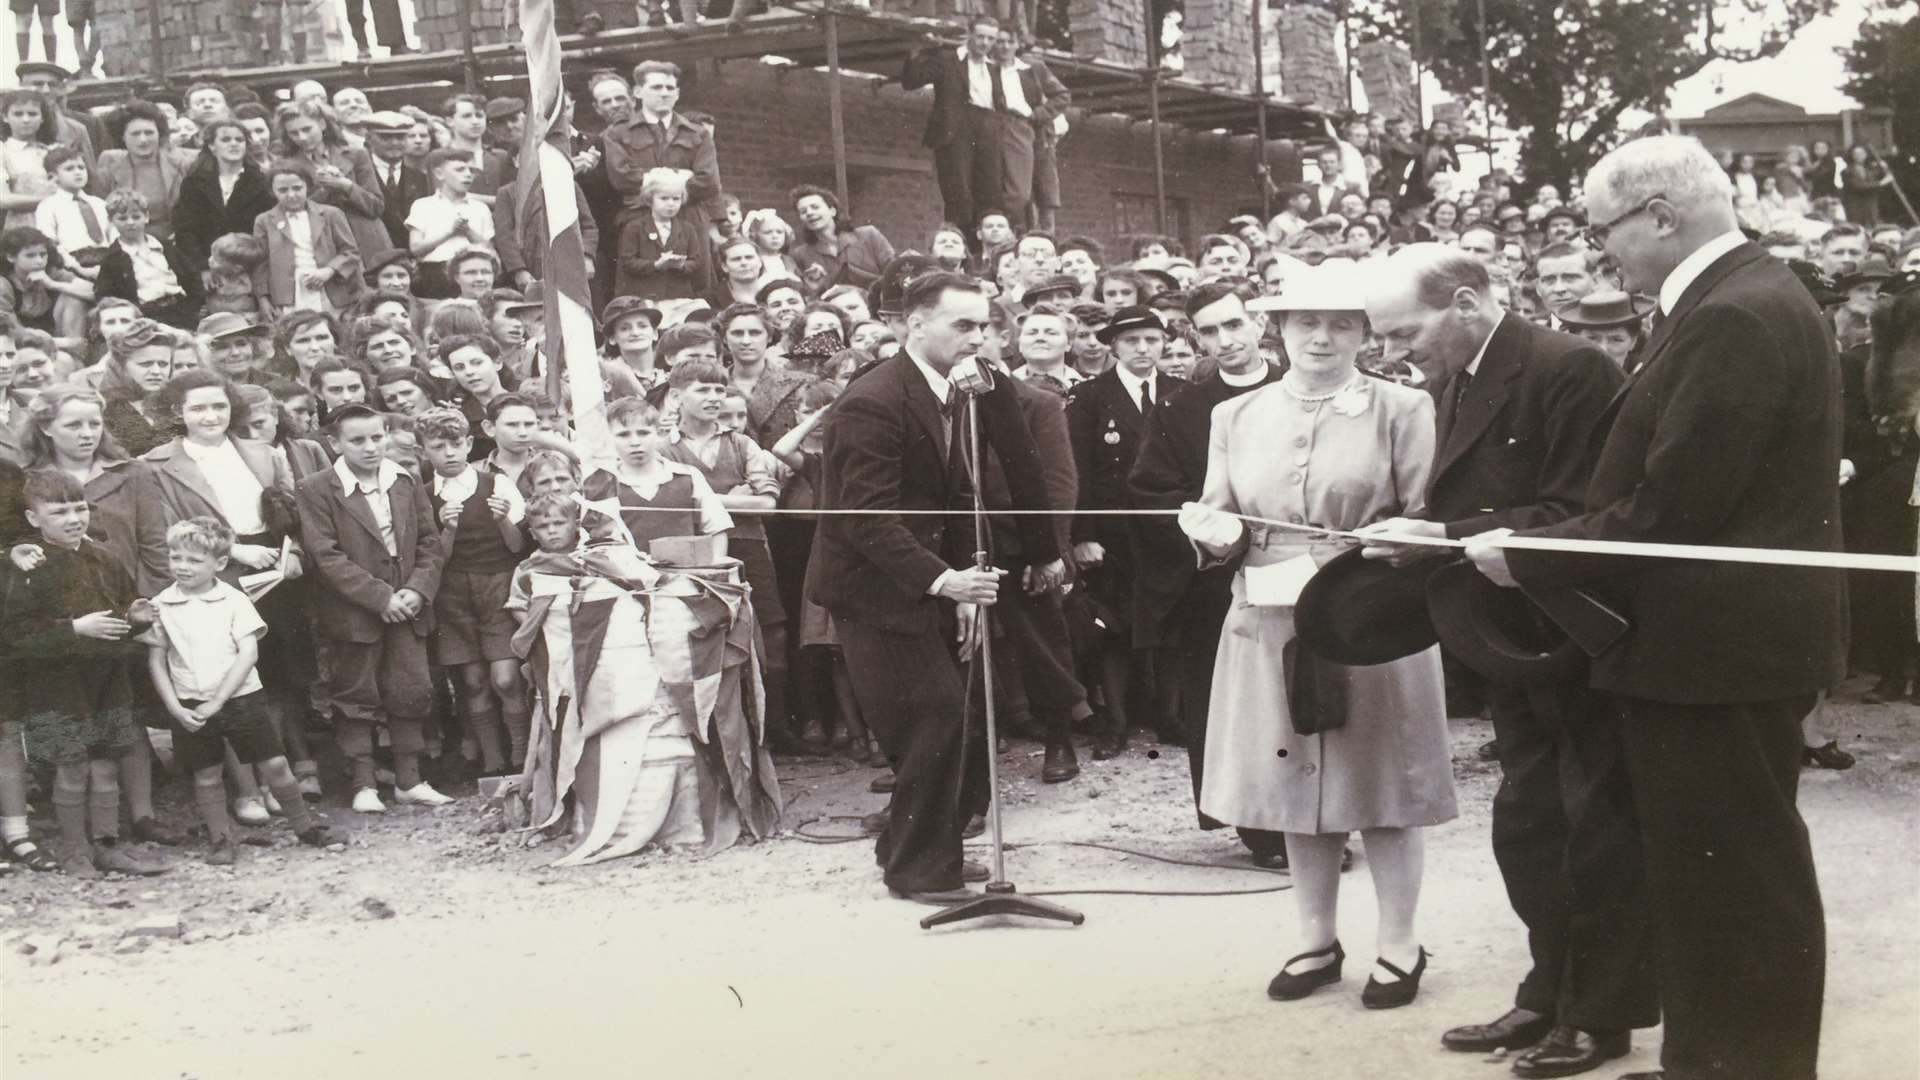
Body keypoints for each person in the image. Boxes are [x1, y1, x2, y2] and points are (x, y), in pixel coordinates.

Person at [1462, 135, 1840, 1080]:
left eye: (1606, 234)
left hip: (1720, 653)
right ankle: (1717, 1059)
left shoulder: (1734, 316)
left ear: (1661, 216)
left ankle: (1743, 1066)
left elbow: (1673, 510)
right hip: (1715, 646)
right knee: (1709, 870)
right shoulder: (1739, 297)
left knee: (1738, 876)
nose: (1606, 256)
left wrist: (1529, 555)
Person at [1360, 244, 1654, 1076]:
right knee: (1530, 824)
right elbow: (1469, 498)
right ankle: (1549, 992)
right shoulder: (1458, 372)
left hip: (1574, 637)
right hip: (1510, 636)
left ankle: (1602, 1016)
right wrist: (1418, 532)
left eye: (1402, 332)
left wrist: (1439, 536)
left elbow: (1580, 513)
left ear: (1463, 303)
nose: (1392, 353)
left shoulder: (1570, 368)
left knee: (1595, 828)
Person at [1178, 261, 1454, 1007]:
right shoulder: (1234, 417)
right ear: (1281, 329)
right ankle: (1315, 940)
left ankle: (1399, 942)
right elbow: (1219, 516)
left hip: (1371, 614)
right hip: (1268, 616)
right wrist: (1211, 533)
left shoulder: (1403, 407)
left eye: (1341, 323)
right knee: (1293, 779)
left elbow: (1428, 513)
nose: (1322, 337)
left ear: (1366, 332)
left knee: (1384, 784)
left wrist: (1389, 542)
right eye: (1305, 322)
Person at [1129, 280, 1285, 864]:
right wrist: (1217, 532)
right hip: (1217, 578)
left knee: (1300, 693)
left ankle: (1318, 817)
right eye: (1210, 331)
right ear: (1195, 337)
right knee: (1234, 703)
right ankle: (1260, 828)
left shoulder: (1297, 388)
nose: (1225, 340)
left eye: (1234, 325)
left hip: (1303, 567)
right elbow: (1150, 490)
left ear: (1259, 325)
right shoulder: (1180, 408)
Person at [145, 516, 346, 864]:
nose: (183, 567)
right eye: (176, 557)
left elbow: (248, 653)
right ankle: (221, 839)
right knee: (206, 774)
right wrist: (176, 708)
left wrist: (219, 701)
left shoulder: (233, 600)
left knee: (275, 764)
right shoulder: (161, 605)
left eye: (194, 560)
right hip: (190, 703)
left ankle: (305, 826)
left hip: (240, 698)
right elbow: (156, 660)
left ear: (220, 564)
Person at [0, 469, 168, 877]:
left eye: (79, 508)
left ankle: (108, 844)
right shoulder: (27, 566)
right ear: (34, 518)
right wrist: (74, 627)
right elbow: (15, 634)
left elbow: (125, 608)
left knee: (107, 762)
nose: (74, 519)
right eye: (59, 512)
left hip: (107, 678)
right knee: (71, 764)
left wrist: (138, 616)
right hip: (56, 683)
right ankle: (76, 851)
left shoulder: (103, 557)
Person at [295, 401, 453, 813]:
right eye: (357, 440)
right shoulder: (315, 489)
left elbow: (429, 542)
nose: (370, 447)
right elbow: (325, 556)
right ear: (334, 443)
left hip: (408, 606)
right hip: (355, 611)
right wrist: (380, 597)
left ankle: (409, 780)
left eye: (377, 437)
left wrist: (417, 590)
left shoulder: (405, 480)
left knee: (410, 688)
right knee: (355, 692)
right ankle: (363, 783)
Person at [1066, 306, 1176, 758]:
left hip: (1169, 533)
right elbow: (1078, 470)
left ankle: (1171, 718)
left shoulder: (1180, 392)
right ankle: (1115, 722)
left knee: (1171, 624)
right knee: (1110, 626)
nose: (1143, 349)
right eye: (1132, 341)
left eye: (1152, 339)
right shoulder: (1090, 397)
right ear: (1113, 346)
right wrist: (1082, 534)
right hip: (1112, 536)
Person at [415, 407, 529, 778]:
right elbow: (436, 559)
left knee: (506, 678)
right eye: (437, 446)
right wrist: (446, 530)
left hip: (497, 584)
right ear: (424, 451)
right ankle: (492, 760)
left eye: (455, 444)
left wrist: (500, 519)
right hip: (452, 593)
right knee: (472, 681)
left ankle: (522, 756)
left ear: (468, 444)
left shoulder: (495, 484)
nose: (448, 453)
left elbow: (517, 547)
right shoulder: (423, 496)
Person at [902, 16, 1008, 236]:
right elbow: (912, 81)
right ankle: (960, 248)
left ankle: (985, 249)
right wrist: (915, 51)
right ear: (969, 34)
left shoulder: (995, 68)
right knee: (959, 193)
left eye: (991, 39)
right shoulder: (946, 58)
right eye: (980, 36)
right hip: (956, 129)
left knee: (990, 193)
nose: (985, 43)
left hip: (988, 128)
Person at [273, 98, 394, 268]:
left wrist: (346, 185)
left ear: (322, 124)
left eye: (307, 129)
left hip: (368, 242)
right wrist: (325, 188)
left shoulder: (356, 154)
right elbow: (291, 211)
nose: (302, 137)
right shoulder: (286, 165)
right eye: (294, 133)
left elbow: (376, 206)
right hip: (326, 246)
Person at [251, 160, 364, 319]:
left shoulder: (331, 214)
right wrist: (263, 299)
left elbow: (351, 252)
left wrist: (328, 271)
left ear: (308, 187)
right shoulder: (264, 221)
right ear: (272, 191)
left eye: (297, 188)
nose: (291, 195)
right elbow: (260, 264)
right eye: (283, 190)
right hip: (288, 295)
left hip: (329, 288)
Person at [172, 119, 275, 275]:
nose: (233, 144)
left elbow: (267, 231)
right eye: (225, 140)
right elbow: (185, 230)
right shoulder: (195, 182)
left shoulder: (261, 182)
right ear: (212, 146)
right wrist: (203, 269)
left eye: (239, 140)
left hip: (250, 267)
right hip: (208, 267)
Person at [95, 190, 204, 330]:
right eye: (122, 218)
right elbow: (105, 294)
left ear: (146, 217)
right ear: (111, 221)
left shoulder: (164, 246)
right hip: (146, 316)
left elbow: (192, 276)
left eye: (136, 217)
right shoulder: (113, 258)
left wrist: (193, 305)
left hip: (180, 309)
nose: (130, 223)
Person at [406, 148, 495, 299]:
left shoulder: (480, 208)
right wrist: (449, 233)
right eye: (460, 170)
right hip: (434, 275)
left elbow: (490, 250)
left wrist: (468, 232)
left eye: (471, 170)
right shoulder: (423, 205)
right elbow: (416, 248)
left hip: (471, 274)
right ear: (439, 174)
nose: (468, 175)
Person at [616, 167, 708, 301]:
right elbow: (627, 261)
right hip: (643, 296)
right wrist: (655, 265)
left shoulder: (687, 229)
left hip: (677, 296)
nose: (671, 204)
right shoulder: (634, 227)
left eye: (676, 199)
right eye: (664, 198)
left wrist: (682, 265)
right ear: (649, 199)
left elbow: (696, 261)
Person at [789, 185, 897, 296]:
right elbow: (808, 296)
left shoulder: (868, 235)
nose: (809, 213)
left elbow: (894, 273)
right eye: (803, 211)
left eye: (815, 207)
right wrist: (815, 286)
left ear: (832, 211)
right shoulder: (801, 255)